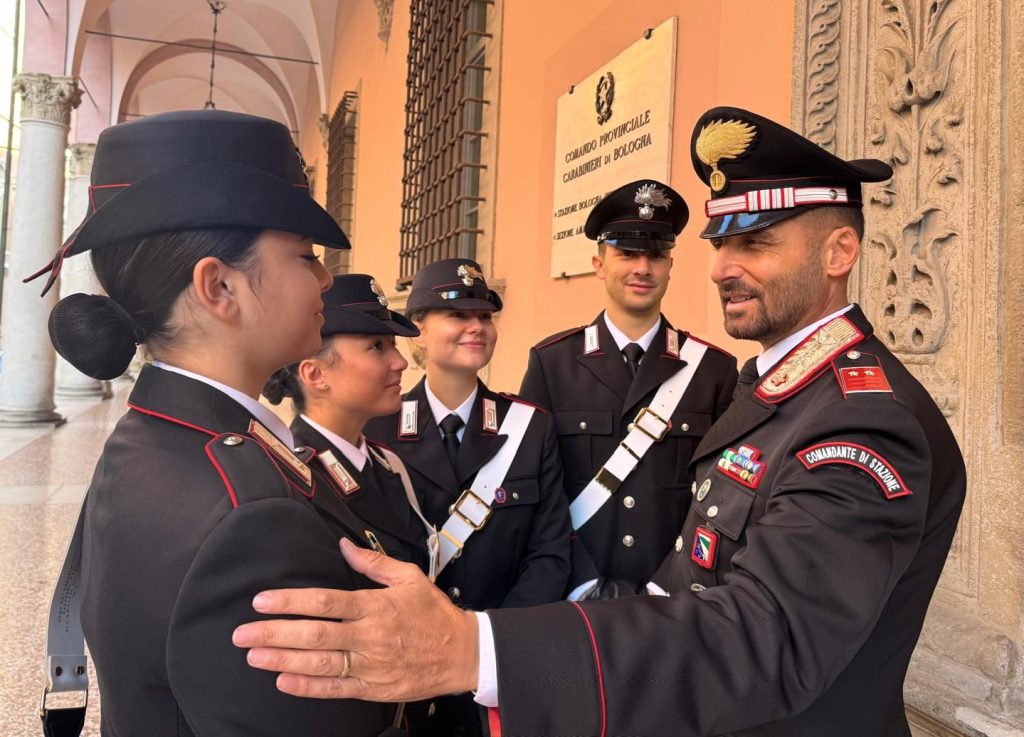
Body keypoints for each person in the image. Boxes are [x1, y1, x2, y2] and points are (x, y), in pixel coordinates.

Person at [231, 106, 967, 737]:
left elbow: (762, 635)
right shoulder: (777, 387)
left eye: (755, 242)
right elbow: (693, 577)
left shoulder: (863, 423)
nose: (720, 267)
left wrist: (477, 648)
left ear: (840, 251)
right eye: (720, 243)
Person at [38, 110, 405, 736]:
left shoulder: (160, 431)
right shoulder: (250, 515)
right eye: (305, 255)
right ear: (219, 287)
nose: (324, 278)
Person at [362, 257, 572, 736]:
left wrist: (493, 643)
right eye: (458, 315)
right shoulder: (376, 428)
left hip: (497, 667)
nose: (477, 327)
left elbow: (550, 552)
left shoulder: (529, 428)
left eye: (485, 316)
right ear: (418, 330)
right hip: (405, 668)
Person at [518, 179, 738, 599]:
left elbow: (723, 497)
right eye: (627, 254)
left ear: (670, 265)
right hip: (574, 598)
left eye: (655, 255)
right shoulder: (552, 364)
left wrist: (666, 584)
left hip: (675, 600)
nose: (642, 268)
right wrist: (583, 584)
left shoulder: (713, 371)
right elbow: (535, 493)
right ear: (599, 264)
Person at [263, 274, 431, 571]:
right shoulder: (288, 481)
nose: (401, 362)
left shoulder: (389, 464)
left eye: (393, 344)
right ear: (316, 375)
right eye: (377, 347)